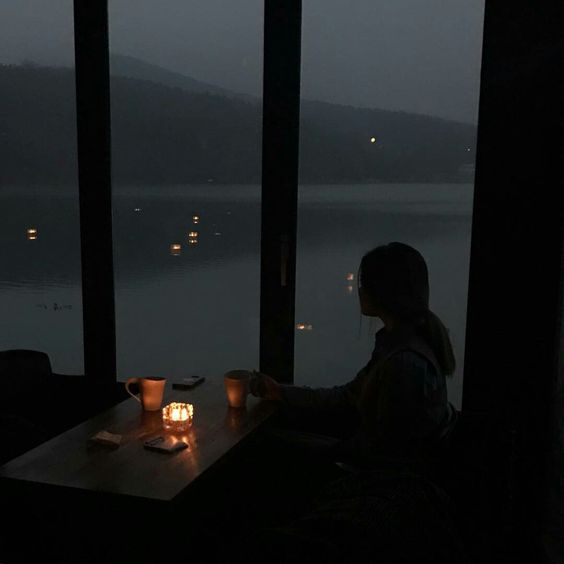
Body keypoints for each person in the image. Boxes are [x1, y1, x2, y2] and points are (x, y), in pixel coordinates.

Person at [250, 241, 459, 472]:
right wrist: (280, 392)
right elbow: (349, 397)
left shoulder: (403, 365)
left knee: (265, 445)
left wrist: (327, 450)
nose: (359, 290)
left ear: (381, 291)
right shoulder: (403, 346)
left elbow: (385, 453)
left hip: (372, 475)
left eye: (363, 283)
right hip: (371, 459)